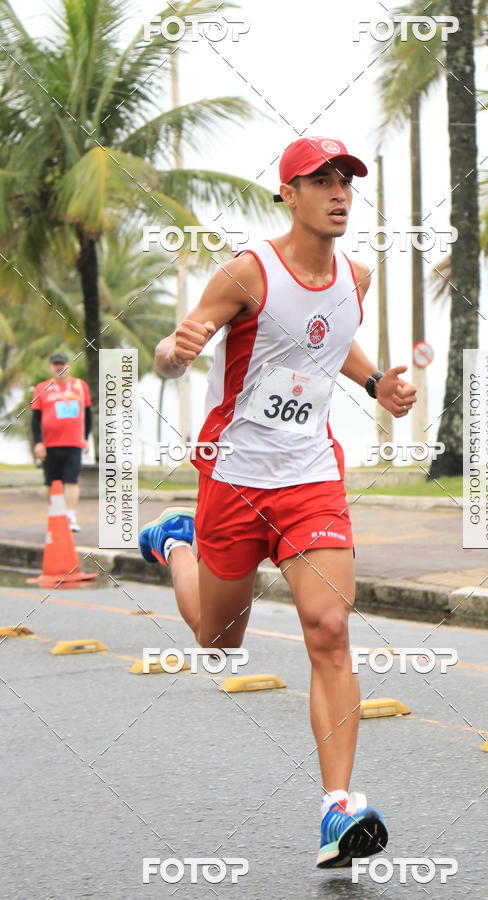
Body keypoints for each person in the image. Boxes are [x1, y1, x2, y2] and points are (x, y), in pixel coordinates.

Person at [139, 136, 417, 868]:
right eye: (319, 181)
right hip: (232, 474)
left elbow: (328, 343)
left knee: (328, 627)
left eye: (346, 182)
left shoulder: (355, 276)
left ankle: (336, 808)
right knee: (217, 640)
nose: (338, 193)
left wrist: (374, 385)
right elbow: (171, 353)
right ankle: (177, 542)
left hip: (308, 477)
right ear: (288, 194)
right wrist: (179, 348)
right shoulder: (248, 273)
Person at [31, 352, 93, 532]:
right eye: (55, 364)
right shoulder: (41, 388)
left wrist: (85, 437)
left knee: (71, 480)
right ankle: (56, 515)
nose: (59, 367)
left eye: (62, 364)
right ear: (51, 367)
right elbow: (36, 419)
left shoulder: (80, 386)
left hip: (73, 443)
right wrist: (38, 443)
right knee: (51, 482)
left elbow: (88, 414)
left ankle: (71, 516)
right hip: (49, 445)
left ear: (68, 366)